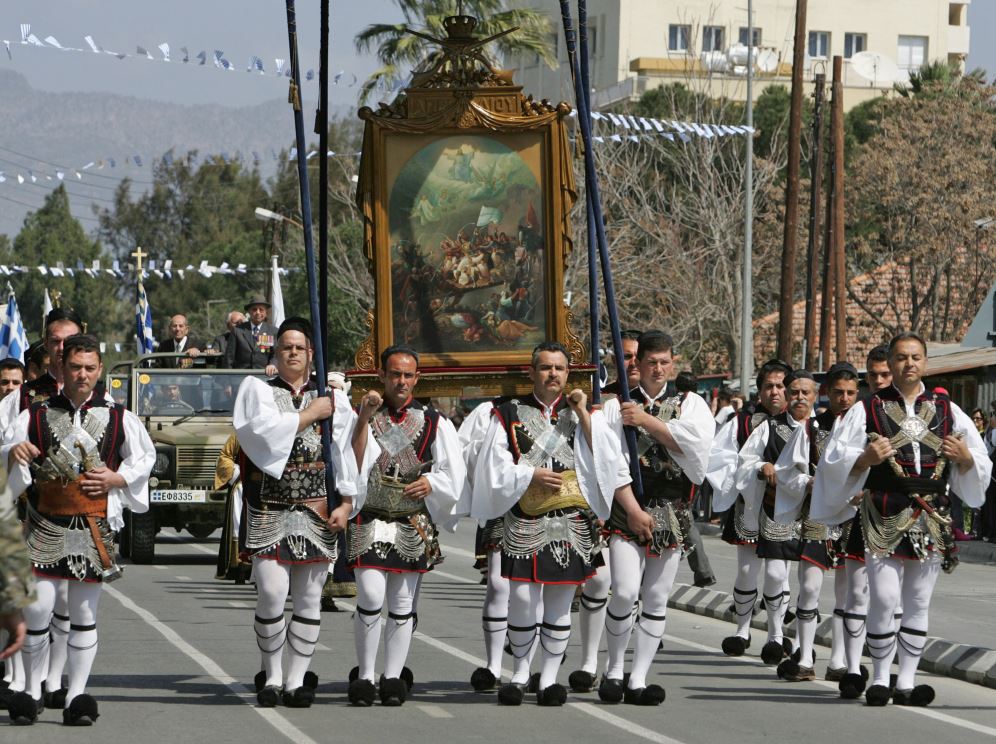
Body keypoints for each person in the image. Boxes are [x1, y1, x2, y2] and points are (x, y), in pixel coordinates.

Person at [812, 332, 990, 707]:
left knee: (918, 600)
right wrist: (865, 459)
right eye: (901, 358)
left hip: (930, 513)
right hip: (884, 509)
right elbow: (834, 461)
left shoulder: (948, 410)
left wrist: (966, 457)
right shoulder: (868, 408)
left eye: (916, 357)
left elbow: (978, 460)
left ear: (925, 362)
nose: (909, 363)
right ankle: (879, 676)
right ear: (890, 364)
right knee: (885, 597)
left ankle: (906, 681)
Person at [471, 341, 647, 707]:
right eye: (546, 367)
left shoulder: (585, 414)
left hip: (571, 520)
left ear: (569, 374)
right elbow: (493, 466)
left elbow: (609, 461)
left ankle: (549, 678)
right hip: (525, 518)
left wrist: (583, 412)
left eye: (560, 369)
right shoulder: (507, 414)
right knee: (520, 598)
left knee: (559, 603)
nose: (553, 374)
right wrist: (528, 474)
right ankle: (520, 671)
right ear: (532, 372)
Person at [3, 334, 155, 726]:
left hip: (92, 528)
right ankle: (32, 690)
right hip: (43, 524)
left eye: (89, 367)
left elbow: (143, 457)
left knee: (84, 615)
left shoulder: (119, 416)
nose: (82, 374)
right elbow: (9, 455)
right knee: (37, 610)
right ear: (62, 368)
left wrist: (117, 479)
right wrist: (12, 453)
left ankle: (76, 695)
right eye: (75, 367)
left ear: (99, 369)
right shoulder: (34, 415)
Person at [232, 317, 364, 709]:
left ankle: (295, 680)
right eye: (286, 346)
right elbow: (259, 433)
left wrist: (346, 502)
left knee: (308, 598)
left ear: (312, 355)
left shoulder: (333, 399)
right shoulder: (257, 390)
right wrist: (310, 414)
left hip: (316, 509)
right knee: (272, 594)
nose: (292, 352)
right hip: (271, 506)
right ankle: (270, 675)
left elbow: (344, 456)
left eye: (300, 347)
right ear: (276, 351)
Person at [346, 345, 465, 707]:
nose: (401, 381)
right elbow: (351, 457)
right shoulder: (363, 413)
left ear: (417, 378)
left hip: (411, 520)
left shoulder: (434, 422)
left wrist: (433, 484)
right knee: (368, 594)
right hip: (371, 515)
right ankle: (365, 674)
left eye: (407, 375)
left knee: (401, 601)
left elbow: (452, 471)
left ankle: (393, 677)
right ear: (381, 375)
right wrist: (364, 418)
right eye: (394, 374)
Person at [599, 331, 714, 704]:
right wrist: (631, 509)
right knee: (626, 591)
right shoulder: (617, 404)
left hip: (671, 508)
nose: (659, 369)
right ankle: (614, 669)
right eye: (652, 362)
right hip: (628, 506)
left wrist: (647, 421)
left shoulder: (690, 403)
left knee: (656, 598)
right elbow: (609, 460)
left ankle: (638, 678)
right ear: (639, 363)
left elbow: (695, 450)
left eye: (666, 362)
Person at [773, 362, 861, 682]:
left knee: (847, 592)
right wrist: (807, 483)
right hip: (818, 516)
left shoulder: (868, 429)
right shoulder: (810, 429)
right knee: (809, 586)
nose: (846, 398)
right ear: (826, 392)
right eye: (839, 392)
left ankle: (838, 660)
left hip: (853, 519)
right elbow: (786, 473)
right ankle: (805, 656)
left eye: (851, 392)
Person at [705, 358, 791, 657]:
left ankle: (777, 635)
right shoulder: (742, 422)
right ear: (760, 390)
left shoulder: (799, 424)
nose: (775, 392)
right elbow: (719, 458)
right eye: (769, 386)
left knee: (778, 574)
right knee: (745, 571)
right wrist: (746, 476)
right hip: (750, 507)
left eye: (781, 386)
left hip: (785, 509)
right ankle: (742, 630)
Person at [736, 370, 819, 667]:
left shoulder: (826, 429)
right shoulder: (769, 427)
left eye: (804, 392)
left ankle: (803, 646)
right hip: (778, 510)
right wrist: (762, 466)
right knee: (774, 574)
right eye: (793, 392)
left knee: (811, 584)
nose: (798, 397)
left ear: (815, 396)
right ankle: (774, 636)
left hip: (819, 514)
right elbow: (745, 460)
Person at [225, 297, 278, 373]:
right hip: (240, 378)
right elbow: (229, 358)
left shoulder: (273, 331)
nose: (258, 312)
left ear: (266, 312)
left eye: (261, 309)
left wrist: (273, 364)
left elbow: (277, 354)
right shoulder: (237, 331)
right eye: (254, 309)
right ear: (249, 312)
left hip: (264, 377)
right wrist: (227, 383)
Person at [600, 330, 641, 398]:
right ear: (614, 360)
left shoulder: (660, 397)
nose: (633, 363)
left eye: (639, 356)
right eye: (627, 356)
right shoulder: (600, 397)